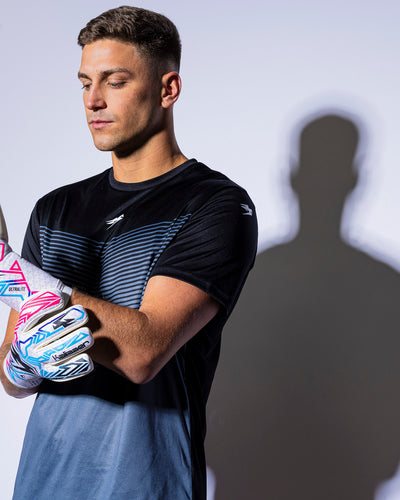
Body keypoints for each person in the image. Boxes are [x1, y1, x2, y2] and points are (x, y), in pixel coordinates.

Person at [0, 6, 257, 500]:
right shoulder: (55, 209)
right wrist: (23, 363)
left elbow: (143, 351)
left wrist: (7, 270)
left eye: (114, 81)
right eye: (84, 83)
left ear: (168, 89)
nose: (93, 101)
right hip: (43, 477)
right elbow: (13, 376)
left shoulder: (216, 204)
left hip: (145, 483)